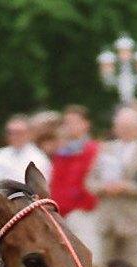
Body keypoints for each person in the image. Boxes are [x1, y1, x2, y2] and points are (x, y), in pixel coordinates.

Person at [86, 107, 137, 267]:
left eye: (129, 127)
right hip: (107, 219)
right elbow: (90, 181)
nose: (124, 131)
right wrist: (104, 188)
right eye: (121, 127)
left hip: (131, 220)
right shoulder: (105, 149)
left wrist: (127, 187)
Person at [49, 105, 100, 257]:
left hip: (83, 213)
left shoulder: (93, 150)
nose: (70, 126)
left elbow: (90, 182)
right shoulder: (62, 153)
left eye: (74, 122)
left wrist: (81, 206)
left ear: (86, 124)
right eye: (67, 123)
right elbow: (55, 183)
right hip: (61, 214)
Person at [0, 114, 51, 186]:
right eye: (10, 133)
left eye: (19, 133)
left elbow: (39, 186)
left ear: (29, 133)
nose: (14, 136)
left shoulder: (39, 158)